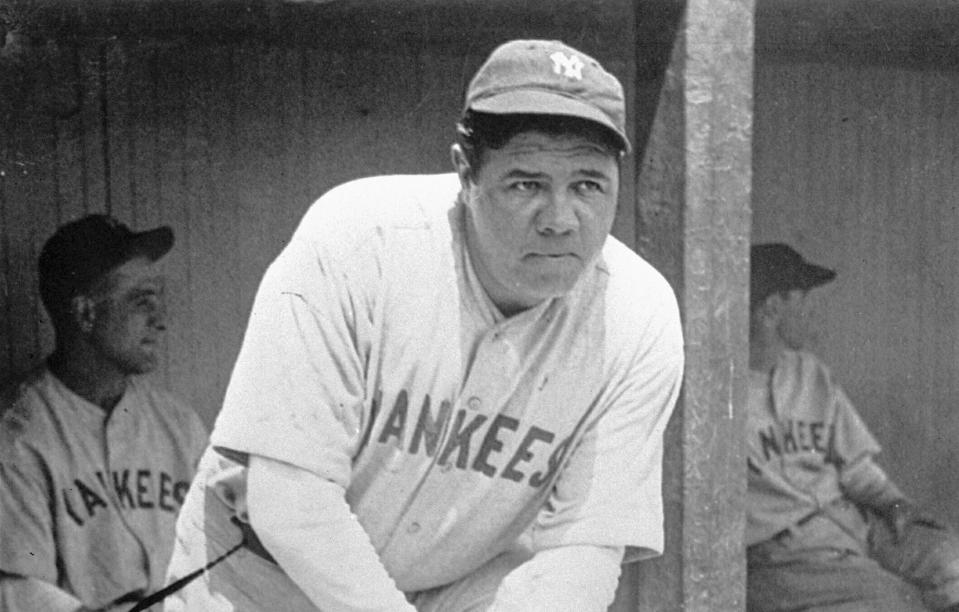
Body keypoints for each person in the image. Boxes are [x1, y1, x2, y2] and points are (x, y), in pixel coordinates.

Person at [163, 39, 684, 611]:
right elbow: (291, 500)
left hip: (450, 584)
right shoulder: (361, 243)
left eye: (588, 185)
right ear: (466, 171)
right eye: (526, 184)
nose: (561, 220)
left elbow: (582, 550)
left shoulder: (637, 315)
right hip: (259, 574)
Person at [0, 214, 207, 612]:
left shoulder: (179, 426)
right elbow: (15, 589)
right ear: (85, 315)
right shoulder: (18, 435)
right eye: (141, 302)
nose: (160, 321)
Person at [745, 242, 959, 612]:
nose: (812, 311)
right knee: (897, 602)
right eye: (803, 299)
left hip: (853, 523)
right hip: (785, 552)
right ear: (771, 310)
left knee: (948, 562)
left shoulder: (809, 373)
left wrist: (895, 504)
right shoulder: (719, 396)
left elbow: (856, 467)